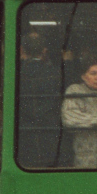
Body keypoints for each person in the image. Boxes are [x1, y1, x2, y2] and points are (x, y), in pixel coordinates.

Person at [17, 30, 63, 168]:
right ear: (44, 51)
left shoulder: (16, 74)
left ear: (21, 50)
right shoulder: (55, 73)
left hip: (22, 137)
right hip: (50, 135)